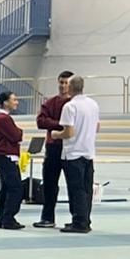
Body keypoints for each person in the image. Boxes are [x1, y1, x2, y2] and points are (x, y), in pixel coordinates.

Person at [58, 75, 100, 234]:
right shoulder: (93, 104)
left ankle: (79, 222)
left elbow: (68, 132)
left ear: (70, 87)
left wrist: (56, 135)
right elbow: (97, 127)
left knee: (76, 190)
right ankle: (85, 219)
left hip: (73, 153)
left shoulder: (70, 107)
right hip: (88, 152)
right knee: (86, 188)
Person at [33, 71, 75, 229]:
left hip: (71, 148)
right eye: (61, 82)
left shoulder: (75, 104)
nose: (63, 86)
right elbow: (40, 121)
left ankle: (76, 218)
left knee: (74, 185)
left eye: (66, 83)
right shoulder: (50, 102)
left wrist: (56, 124)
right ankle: (47, 217)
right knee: (50, 184)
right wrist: (61, 124)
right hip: (53, 147)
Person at [0, 91, 25, 230]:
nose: (16, 102)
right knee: (16, 188)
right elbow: (16, 135)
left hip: (3, 156)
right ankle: (8, 217)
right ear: (6, 102)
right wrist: (19, 131)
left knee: (6, 189)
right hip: (7, 156)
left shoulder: (0, 118)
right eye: (14, 99)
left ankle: (2, 217)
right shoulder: (4, 119)